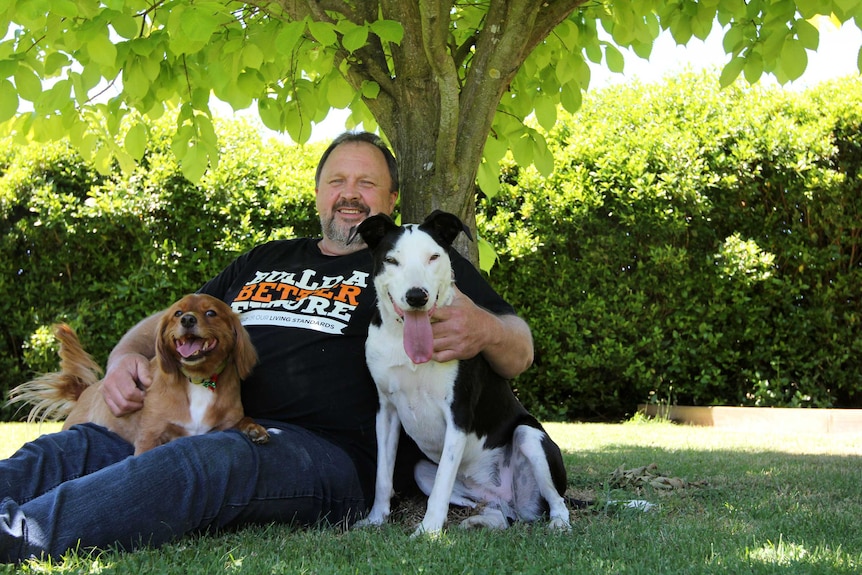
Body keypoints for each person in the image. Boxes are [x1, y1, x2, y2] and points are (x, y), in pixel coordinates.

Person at [0, 131, 534, 563]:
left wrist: (485, 329)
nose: (350, 193)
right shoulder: (263, 257)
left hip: (322, 453)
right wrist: (122, 360)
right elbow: (170, 317)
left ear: (390, 201)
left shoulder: (420, 260)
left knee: (199, 463)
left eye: (367, 183)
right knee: (77, 446)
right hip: (215, 418)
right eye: (336, 181)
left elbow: (520, 349)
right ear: (319, 193)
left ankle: (23, 534)